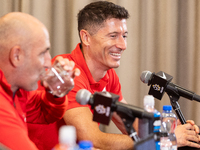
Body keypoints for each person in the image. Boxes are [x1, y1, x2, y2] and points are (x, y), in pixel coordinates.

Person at [28, 1, 200, 150]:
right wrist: (162, 140)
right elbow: (92, 138)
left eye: (124, 36)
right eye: (113, 36)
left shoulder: (108, 74)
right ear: (86, 38)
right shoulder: (67, 72)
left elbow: (129, 124)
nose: (123, 45)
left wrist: (172, 130)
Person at [0, 12, 80, 150]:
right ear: (16, 56)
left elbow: (45, 112)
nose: (49, 63)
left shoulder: (17, 90)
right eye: (42, 53)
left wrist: (55, 91)